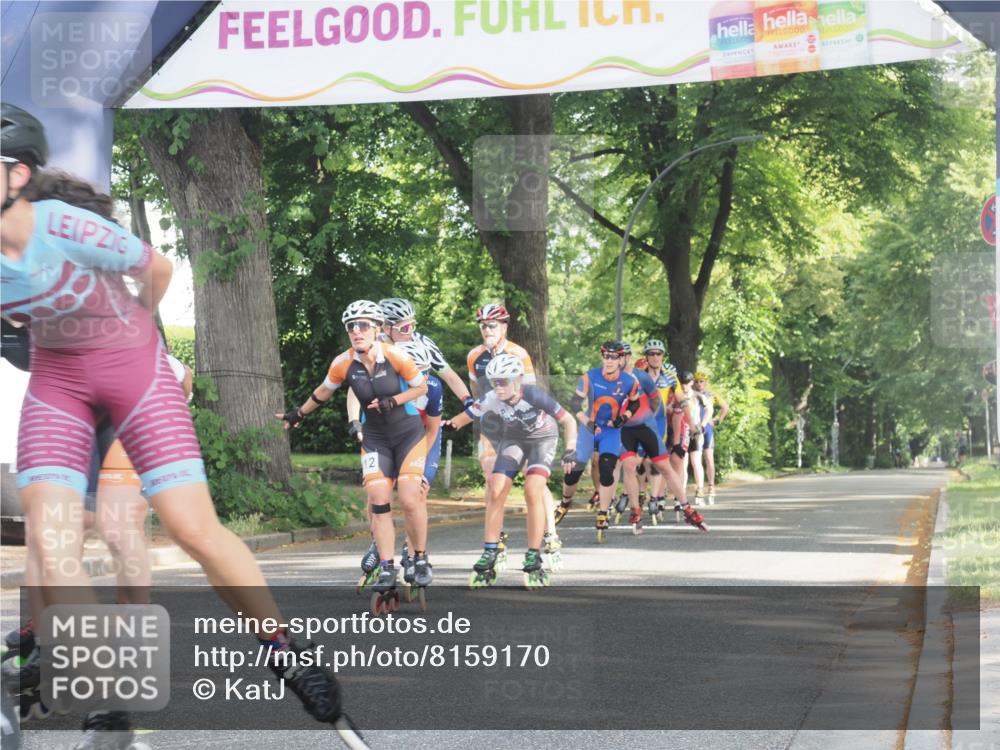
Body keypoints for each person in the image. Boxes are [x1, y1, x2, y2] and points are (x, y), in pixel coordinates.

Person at [1, 104, 355, 744]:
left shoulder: (61, 224)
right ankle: (105, 693)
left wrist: (129, 327)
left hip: (133, 370)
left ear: (18, 175)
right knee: (52, 544)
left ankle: (284, 648)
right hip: (59, 383)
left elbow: (157, 270)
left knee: (193, 529)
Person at [279, 300, 429, 610]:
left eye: (362, 325)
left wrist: (394, 400)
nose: (356, 332)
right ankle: (386, 566)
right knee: (378, 497)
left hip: (408, 434)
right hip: (375, 437)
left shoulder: (396, 356)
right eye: (351, 327)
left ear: (376, 328)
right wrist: (298, 413)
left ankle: (419, 558)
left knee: (411, 497)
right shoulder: (343, 363)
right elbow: (322, 392)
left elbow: (421, 387)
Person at [445, 354, 577, 587]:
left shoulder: (534, 395)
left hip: (543, 439)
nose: (499, 387)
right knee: (496, 488)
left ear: (517, 380)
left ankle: (534, 554)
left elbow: (569, 420)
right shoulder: (492, 397)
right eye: (494, 381)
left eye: (503, 381)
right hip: (515, 439)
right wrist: (449, 425)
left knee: (532, 490)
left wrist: (570, 450)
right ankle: (490, 551)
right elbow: (466, 416)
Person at [559, 341, 640, 544]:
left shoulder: (629, 381)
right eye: (606, 356)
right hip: (589, 428)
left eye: (614, 357)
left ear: (621, 359)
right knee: (574, 470)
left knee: (606, 468)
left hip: (611, 431)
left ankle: (603, 513)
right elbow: (574, 403)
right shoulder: (590, 376)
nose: (609, 361)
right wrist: (587, 421)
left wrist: (624, 417)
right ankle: (565, 502)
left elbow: (635, 402)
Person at [666, 371, 708, 531]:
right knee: (680, 463)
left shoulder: (697, 396)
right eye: (682, 381)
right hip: (676, 429)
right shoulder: (672, 393)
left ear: (692, 382)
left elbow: (710, 409)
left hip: (692, 429)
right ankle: (680, 493)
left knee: (696, 461)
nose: (684, 384)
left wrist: (702, 425)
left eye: (688, 382)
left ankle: (700, 490)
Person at [693, 370, 728, 505]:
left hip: (707, 429)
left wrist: (717, 420)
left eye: (701, 381)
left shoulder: (711, 394)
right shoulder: (691, 394)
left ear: (706, 382)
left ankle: (711, 486)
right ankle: (699, 488)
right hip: (696, 429)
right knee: (696, 459)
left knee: (708, 458)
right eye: (696, 381)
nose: (699, 383)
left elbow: (725, 407)